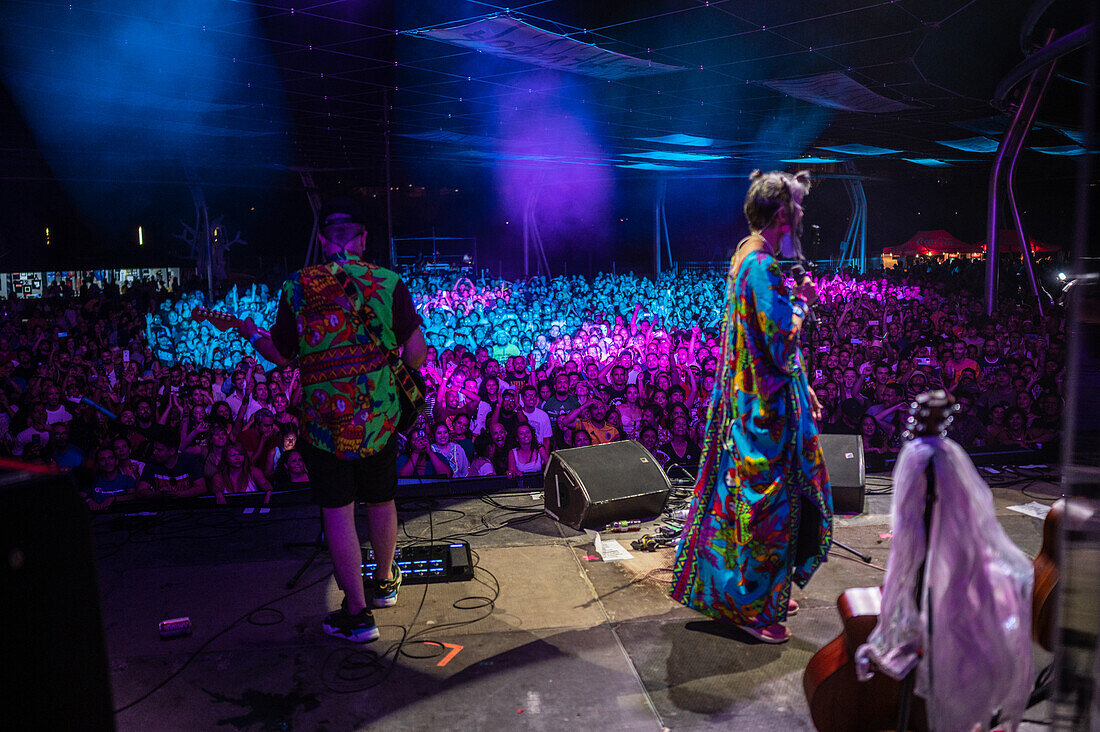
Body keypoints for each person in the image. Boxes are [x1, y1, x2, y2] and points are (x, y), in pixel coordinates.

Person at [241, 197, 427, 644]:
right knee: (381, 500)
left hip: (325, 426)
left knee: (338, 513)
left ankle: (359, 615)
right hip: (379, 419)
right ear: (363, 240)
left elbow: (283, 357)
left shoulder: (298, 286)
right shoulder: (388, 282)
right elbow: (416, 353)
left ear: (325, 242)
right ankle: (384, 584)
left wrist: (250, 334)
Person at [670, 170, 832, 644]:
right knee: (767, 508)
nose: (802, 215)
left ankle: (766, 590)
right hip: (763, 417)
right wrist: (802, 304)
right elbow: (779, 345)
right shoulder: (760, 267)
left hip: (759, 406)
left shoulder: (749, 254)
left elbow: (758, 349)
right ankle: (750, 607)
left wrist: (806, 389)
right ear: (783, 213)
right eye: (798, 207)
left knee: (758, 503)